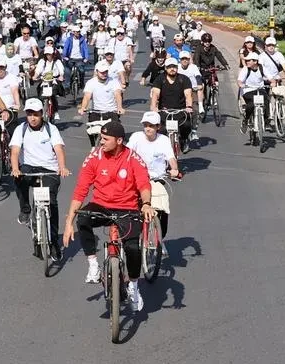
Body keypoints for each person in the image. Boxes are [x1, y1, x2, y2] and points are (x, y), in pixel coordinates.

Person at [63, 120, 156, 313]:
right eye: (100, 138)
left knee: (132, 247)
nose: (100, 142)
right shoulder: (94, 157)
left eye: (105, 139)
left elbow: (144, 185)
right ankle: (93, 266)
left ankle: (133, 287)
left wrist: (146, 204)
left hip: (128, 208)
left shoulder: (133, 158)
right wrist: (68, 222)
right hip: (102, 206)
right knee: (83, 219)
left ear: (119, 140)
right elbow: (81, 190)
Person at [10, 99, 70, 258]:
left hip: (49, 169)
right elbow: (15, 151)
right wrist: (15, 168)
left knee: (52, 203)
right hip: (29, 167)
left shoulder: (52, 129)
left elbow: (59, 150)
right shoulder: (20, 129)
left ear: (41, 114)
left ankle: (54, 242)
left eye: (36, 114)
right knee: (18, 180)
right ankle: (25, 209)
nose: (32, 118)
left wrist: (62, 167)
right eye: (29, 114)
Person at [127, 112, 178, 245]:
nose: (148, 128)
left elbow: (171, 157)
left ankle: (159, 239)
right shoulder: (136, 137)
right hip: (136, 179)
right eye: (145, 125)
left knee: (162, 207)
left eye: (151, 126)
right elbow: (126, 154)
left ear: (158, 127)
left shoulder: (164, 140)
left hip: (156, 180)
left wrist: (175, 169)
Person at [150, 59, 194, 153]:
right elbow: (155, 94)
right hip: (164, 111)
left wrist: (189, 107)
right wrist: (154, 107)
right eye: (169, 67)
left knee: (187, 125)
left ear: (177, 68)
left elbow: (188, 94)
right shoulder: (160, 79)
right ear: (165, 68)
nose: (172, 69)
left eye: (174, 67)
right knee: (160, 130)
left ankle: (183, 140)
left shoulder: (184, 79)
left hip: (181, 111)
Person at [78, 59, 125, 126]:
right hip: (96, 111)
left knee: (115, 130)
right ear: (97, 72)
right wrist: (83, 108)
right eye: (102, 72)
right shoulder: (91, 82)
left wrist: (119, 108)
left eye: (105, 72)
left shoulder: (114, 81)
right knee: (91, 130)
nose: (104, 74)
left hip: (111, 111)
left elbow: (117, 95)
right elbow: (87, 97)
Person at [238, 52, 271, 141]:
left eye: (249, 60)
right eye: (247, 60)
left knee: (266, 101)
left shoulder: (261, 68)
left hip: (260, 89)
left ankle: (266, 120)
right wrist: (241, 84)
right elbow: (240, 80)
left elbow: (270, 77)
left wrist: (273, 82)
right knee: (251, 104)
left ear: (255, 61)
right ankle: (246, 119)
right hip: (248, 90)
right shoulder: (245, 69)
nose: (247, 62)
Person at [32, 47, 66, 121]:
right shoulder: (42, 61)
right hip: (44, 81)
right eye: (47, 54)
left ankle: (56, 112)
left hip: (54, 80)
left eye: (50, 54)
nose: (48, 56)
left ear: (53, 54)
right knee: (40, 95)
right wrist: (35, 76)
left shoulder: (57, 62)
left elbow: (61, 70)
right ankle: (41, 111)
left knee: (53, 94)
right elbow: (38, 70)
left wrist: (61, 76)